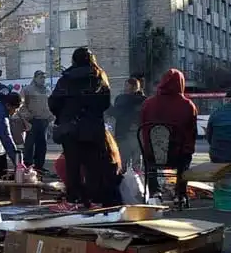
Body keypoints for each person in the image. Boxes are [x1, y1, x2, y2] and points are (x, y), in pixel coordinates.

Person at [48, 47, 114, 207]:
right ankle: (94, 200)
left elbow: (53, 102)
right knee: (94, 166)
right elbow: (105, 103)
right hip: (93, 128)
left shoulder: (66, 78)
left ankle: (73, 199)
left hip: (70, 128)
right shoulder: (99, 77)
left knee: (73, 165)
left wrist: (64, 116)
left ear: (74, 60)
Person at [139, 69, 197, 204]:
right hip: (178, 156)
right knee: (185, 159)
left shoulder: (148, 103)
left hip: (153, 155)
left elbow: (144, 128)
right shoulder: (188, 105)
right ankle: (180, 194)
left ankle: (154, 192)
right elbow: (192, 132)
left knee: (149, 160)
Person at [107, 77, 146, 172]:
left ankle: (123, 183)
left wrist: (108, 107)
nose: (125, 88)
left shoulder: (121, 99)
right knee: (136, 164)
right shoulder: (144, 100)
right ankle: (138, 183)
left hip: (124, 134)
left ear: (133, 87)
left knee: (123, 163)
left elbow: (116, 113)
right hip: (138, 134)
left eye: (127, 86)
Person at [20, 70, 52, 171]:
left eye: (44, 77)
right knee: (29, 143)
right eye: (40, 77)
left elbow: (50, 105)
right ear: (35, 78)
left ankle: (39, 166)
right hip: (32, 121)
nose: (42, 79)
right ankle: (28, 164)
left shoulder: (47, 90)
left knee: (42, 144)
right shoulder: (27, 89)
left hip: (44, 120)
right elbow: (21, 105)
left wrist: (51, 116)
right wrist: (27, 116)